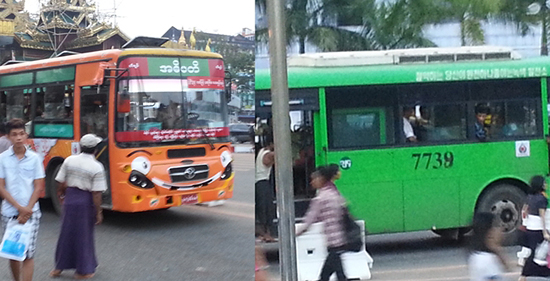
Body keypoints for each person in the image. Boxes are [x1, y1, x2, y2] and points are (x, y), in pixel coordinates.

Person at [49, 134, 107, 279]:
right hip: (85, 202)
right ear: (95, 149)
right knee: (84, 235)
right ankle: (83, 270)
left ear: (81, 147)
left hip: (70, 199)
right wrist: (98, 211)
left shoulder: (69, 160)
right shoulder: (96, 167)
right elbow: (96, 193)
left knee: (66, 233)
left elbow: (60, 181)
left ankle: (58, 268)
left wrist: (62, 194)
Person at [0, 118, 45, 281]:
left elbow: (39, 186)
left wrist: (27, 209)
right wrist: (19, 208)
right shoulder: (3, 158)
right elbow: (1, 187)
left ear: (26, 135)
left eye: (21, 134)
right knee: (13, 253)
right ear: (9, 137)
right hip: (9, 212)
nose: (18, 138)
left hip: (31, 214)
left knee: (28, 254)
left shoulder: (35, 158)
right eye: (14, 135)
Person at [296, 164, 348, 281]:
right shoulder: (333, 192)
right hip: (340, 239)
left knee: (329, 276)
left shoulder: (321, 198)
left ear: (321, 179)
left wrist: (296, 233)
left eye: (313, 179)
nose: (312, 182)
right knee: (331, 275)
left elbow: (309, 220)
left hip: (334, 242)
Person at [519, 175, 550, 280]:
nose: (546, 185)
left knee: (534, 252)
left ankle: (524, 275)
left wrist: (525, 222)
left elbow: (524, 210)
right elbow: (542, 216)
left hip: (530, 228)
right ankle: (524, 275)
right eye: (544, 183)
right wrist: (545, 232)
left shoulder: (529, 197)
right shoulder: (542, 199)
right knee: (538, 253)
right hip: (538, 229)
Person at [468, 212, 510, 281]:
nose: (501, 230)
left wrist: (497, 249)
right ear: (489, 233)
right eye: (498, 226)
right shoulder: (487, 260)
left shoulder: (478, 255)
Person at [255, 136, 276, 242]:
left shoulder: (261, 151)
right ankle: (266, 234)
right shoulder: (268, 154)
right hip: (262, 182)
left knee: (265, 209)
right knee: (267, 209)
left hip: (261, 182)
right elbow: (269, 160)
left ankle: (265, 234)